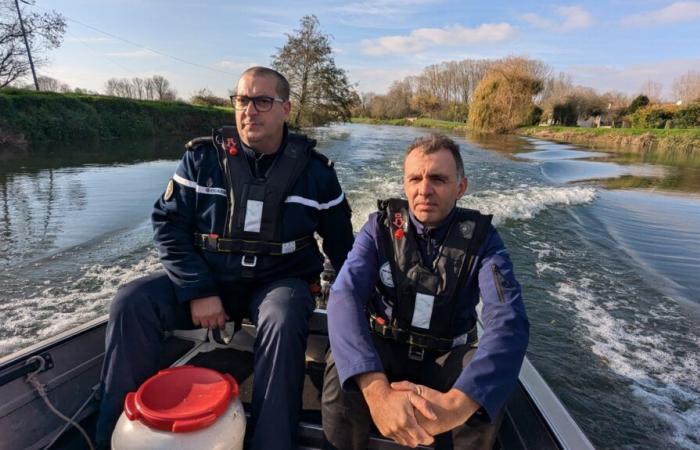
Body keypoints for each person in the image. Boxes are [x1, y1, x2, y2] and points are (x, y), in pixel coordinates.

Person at [95, 66, 354, 450]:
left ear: (286, 108)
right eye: (242, 100)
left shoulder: (317, 174)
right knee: (131, 302)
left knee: (283, 317)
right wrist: (197, 288)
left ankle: (271, 442)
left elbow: (342, 244)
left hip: (278, 283)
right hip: (208, 278)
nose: (250, 110)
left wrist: (356, 296)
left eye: (262, 101)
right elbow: (168, 226)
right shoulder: (202, 159)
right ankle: (110, 435)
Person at [322, 134, 529, 449]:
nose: (424, 189)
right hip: (386, 346)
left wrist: (460, 404)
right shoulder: (378, 229)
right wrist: (377, 391)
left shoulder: (484, 242)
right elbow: (344, 295)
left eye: (438, 179)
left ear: (461, 187)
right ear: (404, 185)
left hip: (447, 357)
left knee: (486, 396)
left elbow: (508, 320)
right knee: (342, 372)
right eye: (415, 178)